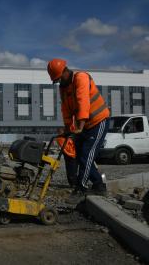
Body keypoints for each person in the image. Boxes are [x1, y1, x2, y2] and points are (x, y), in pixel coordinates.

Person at [47, 58, 110, 204]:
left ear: (65, 72)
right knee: (81, 156)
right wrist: (69, 128)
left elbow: (83, 102)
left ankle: (80, 189)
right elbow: (66, 110)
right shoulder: (63, 88)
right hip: (84, 125)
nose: (58, 83)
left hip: (99, 121)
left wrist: (80, 126)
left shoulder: (81, 78)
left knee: (86, 156)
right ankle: (99, 186)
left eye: (58, 79)